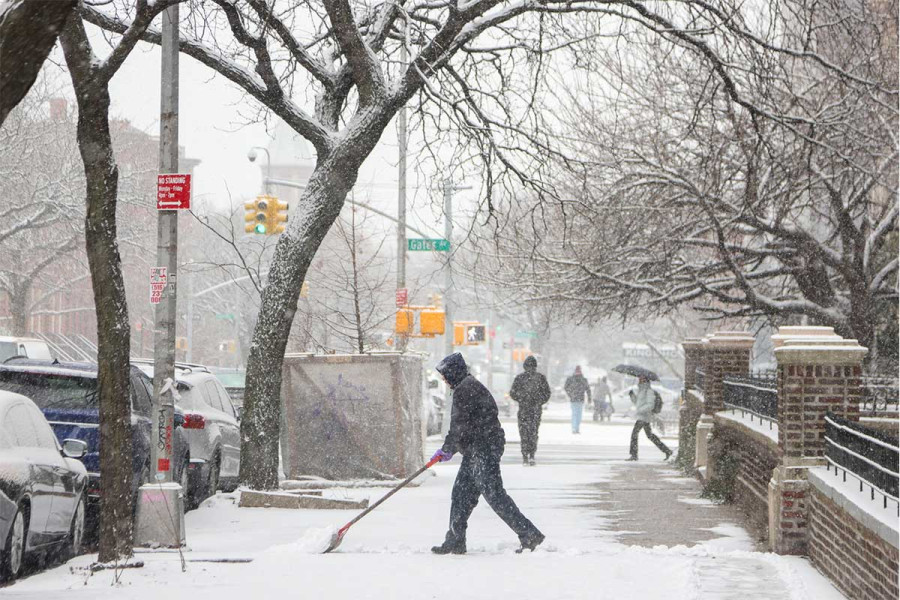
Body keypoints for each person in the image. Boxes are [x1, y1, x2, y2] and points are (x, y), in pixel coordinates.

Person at [430, 352, 545, 555]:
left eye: (445, 374)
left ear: (453, 372)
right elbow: (464, 426)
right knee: (461, 495)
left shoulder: (465, 389)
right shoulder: (467, 385)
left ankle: (529, 534)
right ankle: (455, 539)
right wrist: (451, 447)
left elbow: (460, 427)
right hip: (478, 448)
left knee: (495, 495)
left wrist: (447, 449)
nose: (444, 379)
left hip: (483, 449)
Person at [509, 356, 551, 466]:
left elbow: (513, 393)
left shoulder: (520, 378)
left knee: (524, 433)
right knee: (533, 432)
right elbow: (547, 393)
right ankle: (532, 454)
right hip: (535, 410)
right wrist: (539, 401)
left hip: (524, 409)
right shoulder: (540, 378)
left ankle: (525, 456)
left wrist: (522, 399)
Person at [627, 376, 672, 461]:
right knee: (650, 436)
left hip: (644, 416)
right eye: (639, 379)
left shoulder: (649, 391)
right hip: (642, 416)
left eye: (642, 379)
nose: (639, 380)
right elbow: (637, 403)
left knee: (634, 434)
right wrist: (632, 395)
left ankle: (634, 455)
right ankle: (667, 451)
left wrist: (641, 410)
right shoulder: (641, 391)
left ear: (646, 380)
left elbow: (650, 405)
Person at [564, 366, 591, 434]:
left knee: (576, 414)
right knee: (577, 414)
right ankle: (575, 428)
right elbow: (588, 389)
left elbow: (566, 387)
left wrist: (570, 394)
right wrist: (589, 398)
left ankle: (575, 428)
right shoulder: (582, 379)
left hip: (576, 399)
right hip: (578, 399)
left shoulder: (572, 379)